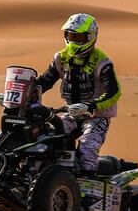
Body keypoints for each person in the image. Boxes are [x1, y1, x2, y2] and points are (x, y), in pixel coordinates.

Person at [35, 12, 122, 172]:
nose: (73, 40)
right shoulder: (61, 58)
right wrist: (23, 90)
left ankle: (87, 184)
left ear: (91, 37)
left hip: (96, 117)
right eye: (70, 36)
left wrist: (90, 107)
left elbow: (114, 91)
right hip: (72, 114)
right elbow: (45, 81)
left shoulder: (102, 62)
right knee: (48, 139)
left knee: (87, 146)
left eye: (79, 38)